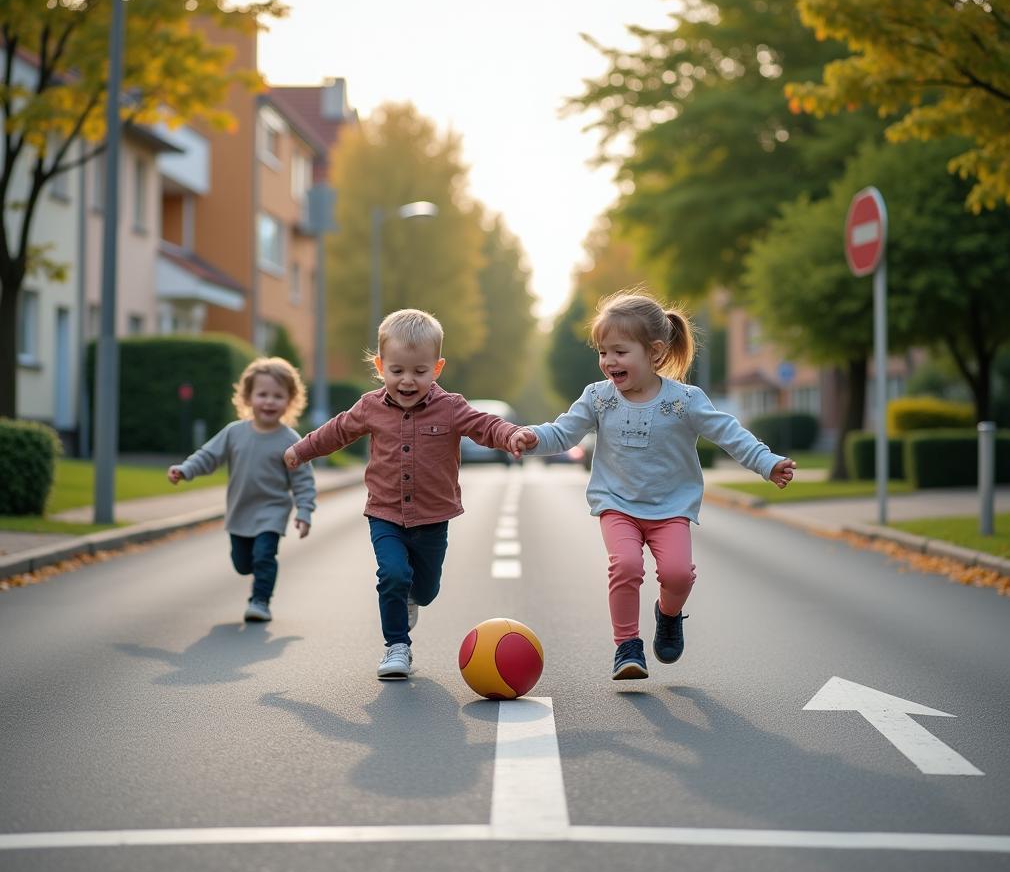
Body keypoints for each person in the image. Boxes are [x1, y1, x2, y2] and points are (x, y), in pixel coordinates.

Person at [511, 290, 795, 681]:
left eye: (620, 352)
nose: (608, 361)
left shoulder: (684, 401)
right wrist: (532, 438)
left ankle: (668, 614)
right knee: (625, 565)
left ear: (656, 353)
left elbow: (729, 434)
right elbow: (564, 432)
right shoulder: (598, 398)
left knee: (678, 574)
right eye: (603, 352)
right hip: (618, 504)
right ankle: (627, 646)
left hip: (670, 509)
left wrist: (767, 462)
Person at [283, 308, 521, 681]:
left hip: (432, 517)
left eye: (419, 372)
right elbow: (337, 431)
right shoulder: (370, 407)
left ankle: (412, 601)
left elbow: (484, 426)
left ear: (437, 368)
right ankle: (397, 647)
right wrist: (301, 450)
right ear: (380, 365)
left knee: (425, 591)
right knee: (392, 574)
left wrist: (511, 436)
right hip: (386, 514)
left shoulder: (451, 407)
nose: (407, 381)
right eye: (397, 371)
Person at [168, 356, 316, 624]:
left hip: (272, 512)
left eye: (278, 396)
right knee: (242, 563)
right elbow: (207, 457)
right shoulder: (234, 433)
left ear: (290, 400)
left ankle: (260, 601)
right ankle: (255, 583)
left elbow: (303, 480)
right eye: (262, 394)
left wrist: (304, 511)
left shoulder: (290, 441)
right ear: (248, 397)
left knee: (264, 556)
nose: (269, 401)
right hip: (240, 510)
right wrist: (185, 470)